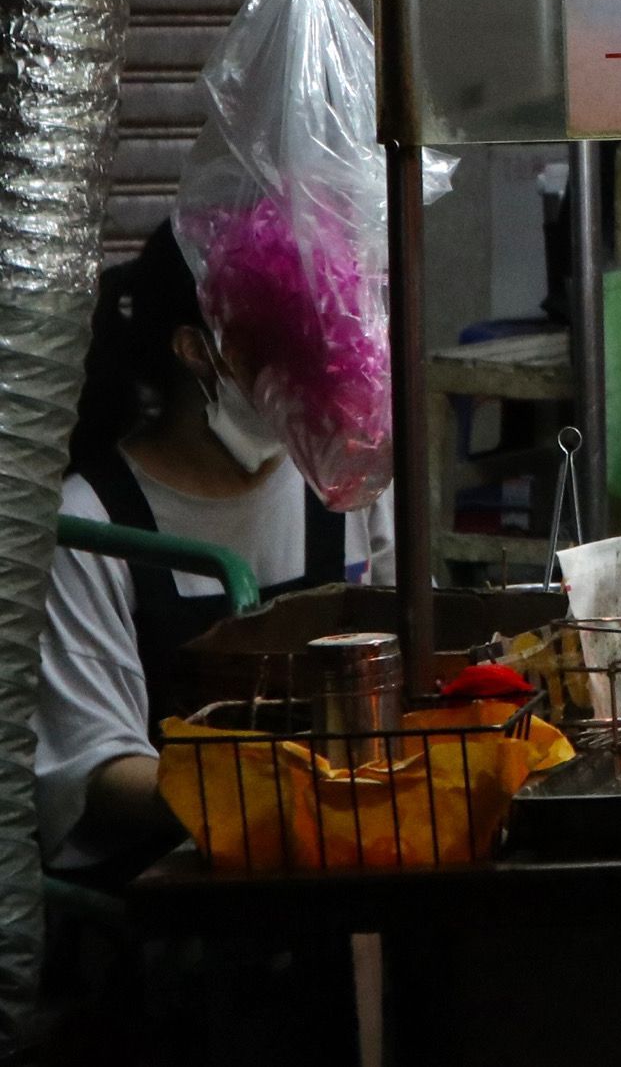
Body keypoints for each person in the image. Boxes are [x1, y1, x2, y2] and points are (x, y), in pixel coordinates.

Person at [39, 224, 389, 876]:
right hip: (169, 894)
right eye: (289, 347)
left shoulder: (341, 483)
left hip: (340, 860)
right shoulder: (91, 526)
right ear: (198, 351)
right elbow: (100, 771)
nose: (324, 373)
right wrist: (272, 800)